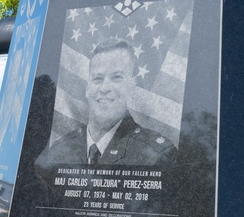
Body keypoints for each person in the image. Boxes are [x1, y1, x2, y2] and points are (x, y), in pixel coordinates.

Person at [37, 40, 175, 167]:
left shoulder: (158, 154)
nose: (104, 88)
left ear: (132, 87)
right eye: (98, 78)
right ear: (87, 88)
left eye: (116, 78)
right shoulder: (58, 150)